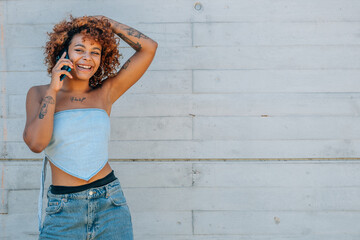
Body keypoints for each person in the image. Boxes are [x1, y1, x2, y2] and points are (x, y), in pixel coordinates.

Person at [22, 15, 158, 239]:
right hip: (63, 210)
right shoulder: (38, 93)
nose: (87, 58)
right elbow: (37, 144)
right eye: (79, 49)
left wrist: (109, 24)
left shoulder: (105, 92)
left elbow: (149, 48)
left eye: (95, 51)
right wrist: (53, 91)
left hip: (111, 205)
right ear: (63, 52)